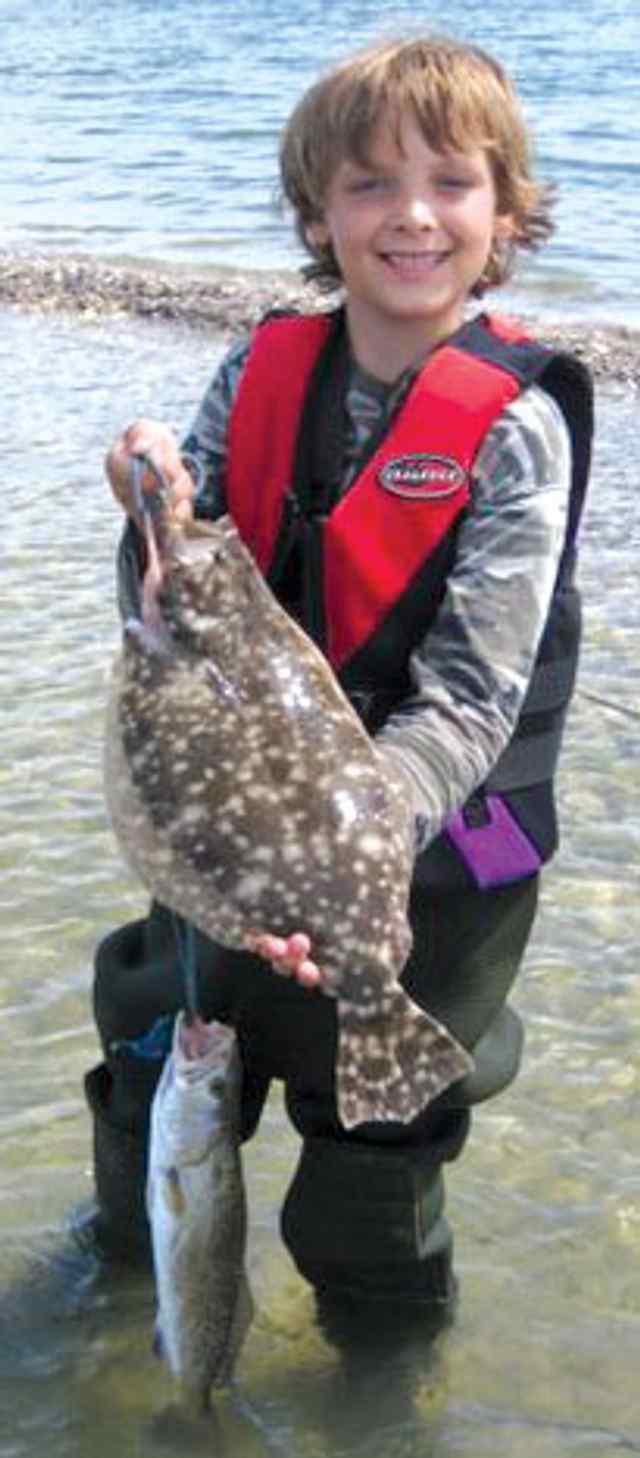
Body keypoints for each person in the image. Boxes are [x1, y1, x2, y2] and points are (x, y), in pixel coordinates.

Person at [78, 35, 593, 1333]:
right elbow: (175, 600)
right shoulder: (258, 371)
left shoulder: (517, 427)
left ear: (507, 211)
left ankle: (383, 1383)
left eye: (451, 183)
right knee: (159, 1069)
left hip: (424, 860)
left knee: (374, 1157)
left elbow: (474, 698)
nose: (412, 214)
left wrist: (345, 845)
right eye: (368, 183)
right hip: (232, 836)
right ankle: (119, 1314)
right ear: (317, 212)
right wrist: (147, 508)